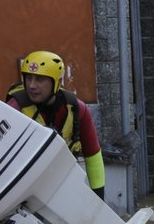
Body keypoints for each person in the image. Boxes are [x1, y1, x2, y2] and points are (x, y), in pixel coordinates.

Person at [6, 51, 106, 198]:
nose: (32, 85)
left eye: (40, 79)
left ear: (56, 82)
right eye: (28, 78)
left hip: (62, 180)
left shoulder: (77, 109)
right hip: (25, 187)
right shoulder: (15, 108)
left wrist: (99, 199)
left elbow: (93, 156)